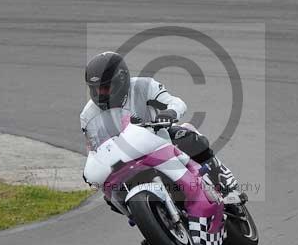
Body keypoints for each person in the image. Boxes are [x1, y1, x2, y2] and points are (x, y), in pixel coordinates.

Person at [80, 51, 246, 208]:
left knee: (188, 135)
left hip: (160, 142)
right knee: (109, 196)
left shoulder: (144, 86)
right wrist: (93, 168)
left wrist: (169, 112)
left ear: (121, 79)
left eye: (103, 88)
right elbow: (93, 149)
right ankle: (153, 226)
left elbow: (177, 103)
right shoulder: (87, 116)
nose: (98, 94)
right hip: (124, 162)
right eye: (93, 89)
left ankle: (225, 183)